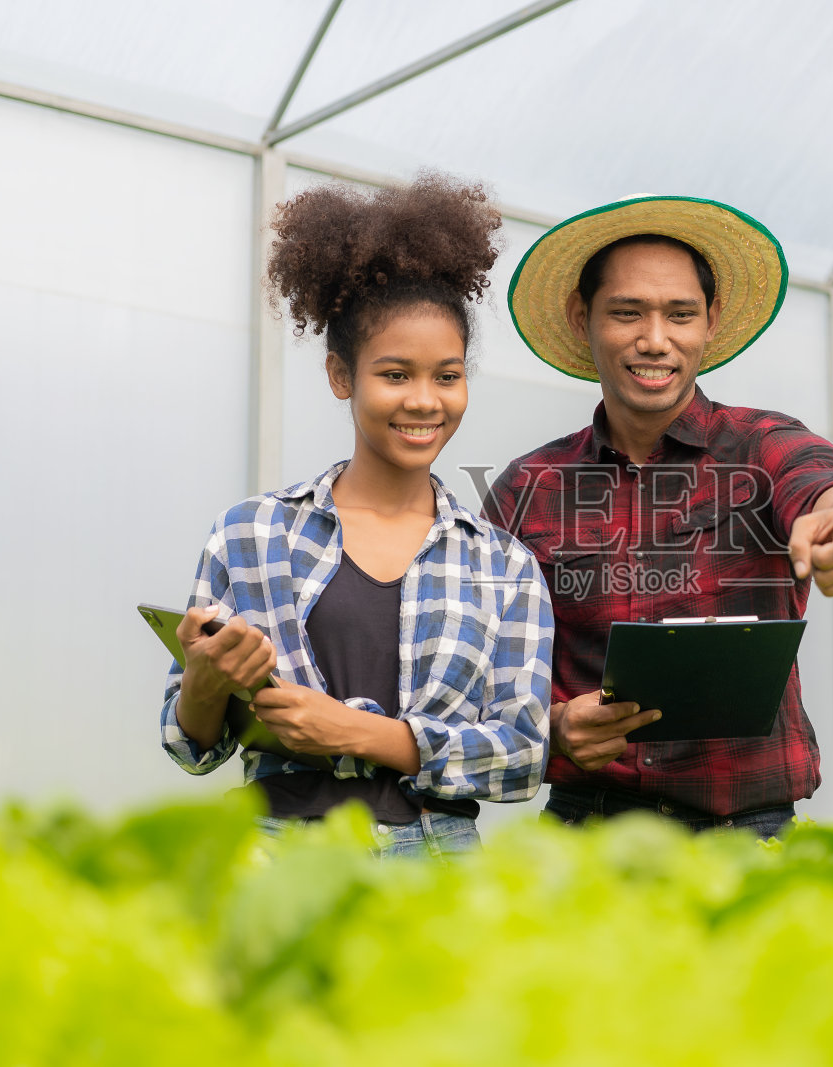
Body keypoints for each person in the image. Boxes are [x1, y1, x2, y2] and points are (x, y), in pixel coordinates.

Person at [160, 174, 552, 857]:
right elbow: (189, 746)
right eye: (395, 375)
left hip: (435, 860)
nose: (425, 401)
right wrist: (204, 676)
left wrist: (354, 732)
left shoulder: (503, 565)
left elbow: (523, 755)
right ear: (342, 376)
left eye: (448, 375)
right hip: (272, 851)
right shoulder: (251, 534)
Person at [481, 196, 833, 838]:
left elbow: (826, 483)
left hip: (752, 833)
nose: (655, 340)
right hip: (589, 834)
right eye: (627, 313)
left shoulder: (761, 446)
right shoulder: (529, 488)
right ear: (582, 318)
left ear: (711, 320)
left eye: (680, 314)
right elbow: (487, 667)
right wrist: (553, 726)